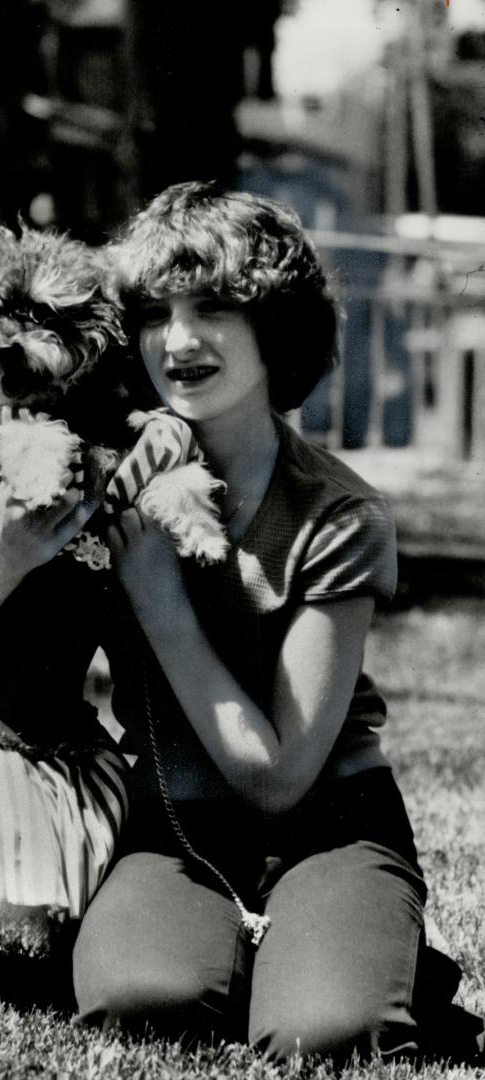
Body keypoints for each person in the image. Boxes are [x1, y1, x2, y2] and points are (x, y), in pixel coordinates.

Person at [64, 180, 477, 1062]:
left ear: (274, 326)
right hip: (171, 826)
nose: (179, 339)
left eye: (214, 306)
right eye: (155, 312)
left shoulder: (337, 513)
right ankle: (274, 948)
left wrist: (163, 604)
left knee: (329, 1034)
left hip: (327, 822)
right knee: (142, 1003)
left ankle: (354, 945)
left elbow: (283, 776)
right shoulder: (107, 486)